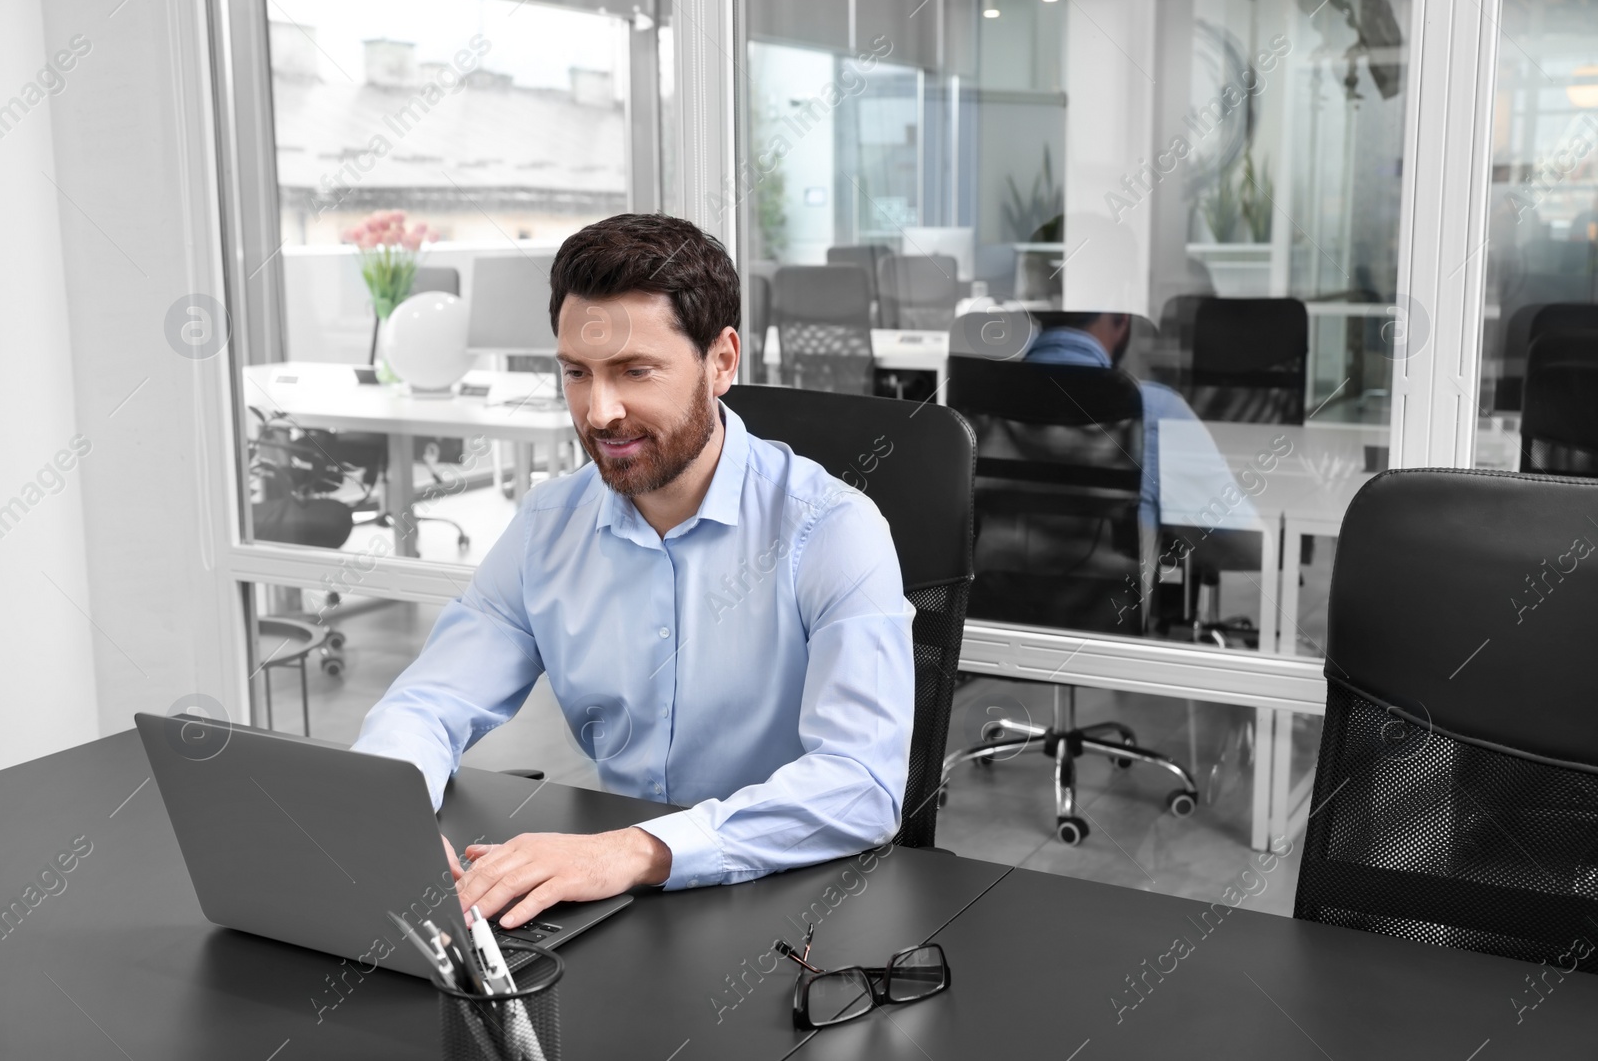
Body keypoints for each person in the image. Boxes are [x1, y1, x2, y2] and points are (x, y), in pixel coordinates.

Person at [352, 213, 915, 929]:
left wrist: (638, 850)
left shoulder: (832, 529)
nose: (599, 411)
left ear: (721, 361)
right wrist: (388, 818)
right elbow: (428, 703)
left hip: (794, 906)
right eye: (577, 373)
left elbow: (861, 784)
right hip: (623, 908)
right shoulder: (548, 525)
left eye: (634, 371)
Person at [1024, 312, 1259, 536]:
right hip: (1121, 579)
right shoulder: (1155, 408)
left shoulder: (990, 397)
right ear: (1122, 318)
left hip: (994, 579)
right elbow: (1245, 547)